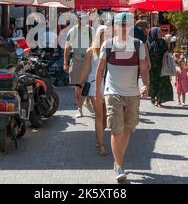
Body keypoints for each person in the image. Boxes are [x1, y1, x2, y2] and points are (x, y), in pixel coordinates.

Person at [95, 13, 149, 182]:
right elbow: (100, 70)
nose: (125, 28)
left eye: (128, 25)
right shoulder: (108, 45)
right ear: (116, 26)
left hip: (132, 94)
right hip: (113, 93)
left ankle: (118, 161)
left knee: (127, 130)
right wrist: (98, 91)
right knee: (116, 130)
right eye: (122, 25)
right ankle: (119, 165)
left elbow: (144, 68)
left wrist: (146, 84)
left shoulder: (138, 45)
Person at [80, 25, 109, 156]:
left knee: (105, 119)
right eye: (104, 34)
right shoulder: (91, 51)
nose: (107, 36)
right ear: (98, 35)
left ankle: (99, 137)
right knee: (99, 116)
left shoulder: (112, 49)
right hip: (93, 85)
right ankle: (101, 145)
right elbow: (86, 69)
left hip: (108, 85)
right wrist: (79, 83)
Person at [64, 12, 94, 118]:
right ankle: (79, 109)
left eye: (85, 19)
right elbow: (67, 48)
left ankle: (88, 102)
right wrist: (65, 63)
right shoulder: (73, 31)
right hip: (76, 61)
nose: (84, 21)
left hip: (89, 61)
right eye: (82, 19)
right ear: (78, 20)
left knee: (90, 85)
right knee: (78, 87)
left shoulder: (91, 30)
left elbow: (95, 45)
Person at [147, 27, 173, 107]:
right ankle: (153, 97)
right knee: (153, 83)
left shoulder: (163, 42)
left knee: (162, 83)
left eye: (161, 32)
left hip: (162, 66)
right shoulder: (148, 43)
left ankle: (159, 100)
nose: (160, 34)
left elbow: (167, 51)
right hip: (152, 68)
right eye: (158, 32)